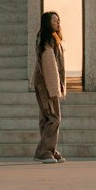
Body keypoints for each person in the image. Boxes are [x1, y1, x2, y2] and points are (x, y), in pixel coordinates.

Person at [32, 10, 66, 162]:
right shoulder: (47, 40)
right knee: (54, 117)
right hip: (46, 85)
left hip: (45, 84)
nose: (57, 22)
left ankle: (49, 149)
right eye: (54, 20)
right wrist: (54, 90)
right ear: (47, 23)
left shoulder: (53, 39)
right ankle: (43, 151)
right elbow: (49, 67)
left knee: (46, 119)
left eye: (58, 20)